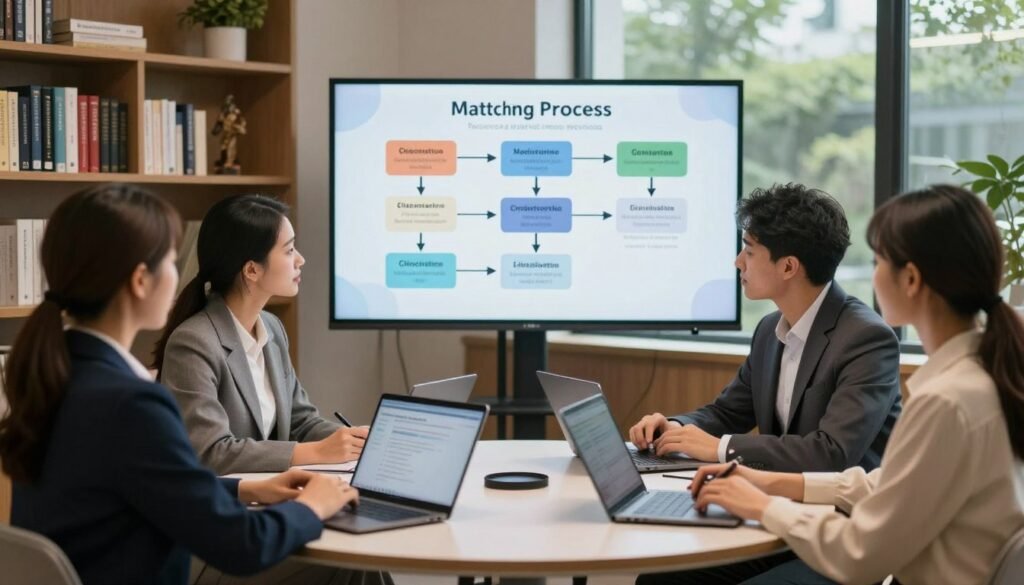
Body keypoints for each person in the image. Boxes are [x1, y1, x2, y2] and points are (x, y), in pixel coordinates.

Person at [0, 184, 357, 585]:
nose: (180, 275)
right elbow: (241, 544)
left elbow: (147, 489)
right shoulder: (131, 405)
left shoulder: (57, 375)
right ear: (140, 281)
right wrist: (311, 507)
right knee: (350, 567)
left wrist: (247, 490)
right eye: (171, 260)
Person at [686, 184, 1024, 585]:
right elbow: (885, 483)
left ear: (911, 278)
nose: (873, 273)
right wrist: (768, 481)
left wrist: (764, 506)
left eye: (879, 260)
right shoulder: (977, 377)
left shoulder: (947, 401)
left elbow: (860, 553)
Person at [630, 183, 902, 473]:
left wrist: (721, 448)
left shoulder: (866, 339)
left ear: (788, 267)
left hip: (847, 510)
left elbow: (831, 453)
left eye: (748, 251)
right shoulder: (769, 329)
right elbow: (728, 412)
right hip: (781, 497)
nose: (737, 262)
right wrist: (675, 428)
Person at [154, 194, 366, 475]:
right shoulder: (193, 342)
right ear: (252, 269)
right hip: (225, 504)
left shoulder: (272, 328)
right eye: (289, 250)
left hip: (270, 492)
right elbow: (211, 452)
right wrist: (316, 451)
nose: (300, 260)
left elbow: (300, 422)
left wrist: (358, 441)